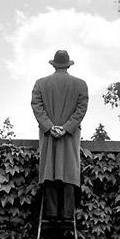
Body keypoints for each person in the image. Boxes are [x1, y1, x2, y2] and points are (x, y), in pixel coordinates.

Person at [31, 50, 88, 221]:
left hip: (49, 135)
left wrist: (49, 127)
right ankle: (68, 213)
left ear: (54, 64)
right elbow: (81, 109)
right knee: (69, 171)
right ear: (68, 64)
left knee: (50, 170)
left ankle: (51, 212)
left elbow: (37, 107)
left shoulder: (41, 83)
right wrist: (66, 128)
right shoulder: (80, 84)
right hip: (69, 136)